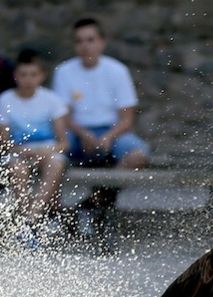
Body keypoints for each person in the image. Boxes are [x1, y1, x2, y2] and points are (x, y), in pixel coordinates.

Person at [53, 17, 151, 235]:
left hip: (112, 131)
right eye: (79, 41)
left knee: (138, 156)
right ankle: (51, 214)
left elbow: (127, 118)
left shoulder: (117, 71)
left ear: (101, 42)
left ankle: (92, 204)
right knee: (53, 155)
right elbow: (62, 115)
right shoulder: (64, 71)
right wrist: (84, 134)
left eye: (90, 40)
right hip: (77, 131)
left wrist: (108, 136)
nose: (85, 46)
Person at [0, 49, 70, 245]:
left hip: (47, 151)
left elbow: (63, 142)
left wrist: (44, 151)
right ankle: (28, 223)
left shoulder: (52, 100)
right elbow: (4, 142)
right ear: (16, 76)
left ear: (41, 76)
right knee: (17, 168)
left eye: (33, 74)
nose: (28, 79)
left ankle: (30, 220)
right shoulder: (5, 100)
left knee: (55, 164)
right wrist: (21, 150)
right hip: (18, 151)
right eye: (23, 75)